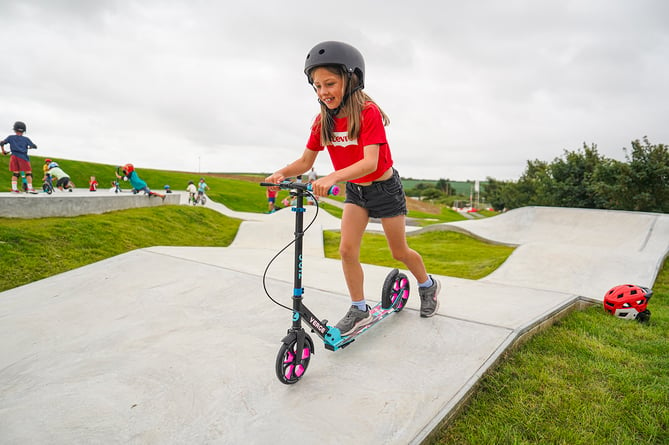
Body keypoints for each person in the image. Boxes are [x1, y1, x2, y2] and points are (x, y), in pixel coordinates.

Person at [264, 41, 441, 336]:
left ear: (352, 79)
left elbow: (371, 162)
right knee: (347, 251)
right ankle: (359, 308)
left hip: (384, 189)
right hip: (357, 193)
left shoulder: (368, 113)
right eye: (317, 86)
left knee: (399, 251)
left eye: (330, 83)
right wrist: (282, 172)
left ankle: (427, 285)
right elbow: (306, 161)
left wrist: (333, 177)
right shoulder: (323, 121)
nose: (323, 92)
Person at [0, 121, 38, 193]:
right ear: (24, 131)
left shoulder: (10, 137)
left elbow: (1, 143)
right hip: (23, 157)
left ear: (14, 129)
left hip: (13, 157)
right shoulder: (26, 139)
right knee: (28, 173)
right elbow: (34, 146)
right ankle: (30, 188)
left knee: (16, 173)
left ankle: (14, 189)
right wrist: (31, 146)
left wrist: (3, 151)